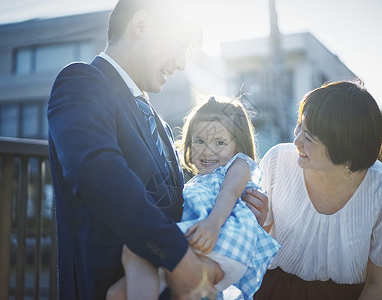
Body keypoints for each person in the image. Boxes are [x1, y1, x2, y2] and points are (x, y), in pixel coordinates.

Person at [47, 1, 268, 299]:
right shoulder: (82, 82)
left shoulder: (162, 125)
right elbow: (98, 173)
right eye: (179, 46)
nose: (181, 64)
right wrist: (179, 258)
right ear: (141, 26)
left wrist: (241, 209)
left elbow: (180, 207)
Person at [254, 80, 382, 300]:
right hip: (272, 289)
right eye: (299, 126)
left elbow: (377, 282)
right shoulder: (277, 161)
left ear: (344, 148)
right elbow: (255, 246)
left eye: (309, 137)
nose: (296, 141)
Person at [106, 97, 280, 300]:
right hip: (205, 244)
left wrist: (212, 224)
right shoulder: (197, 181)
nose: (208, 150)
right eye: (199, 141)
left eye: (220, 142)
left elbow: (229, 193)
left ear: (238, 146)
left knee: (136, 246)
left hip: (221, 242)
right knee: (116, 293)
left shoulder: (238, 164)